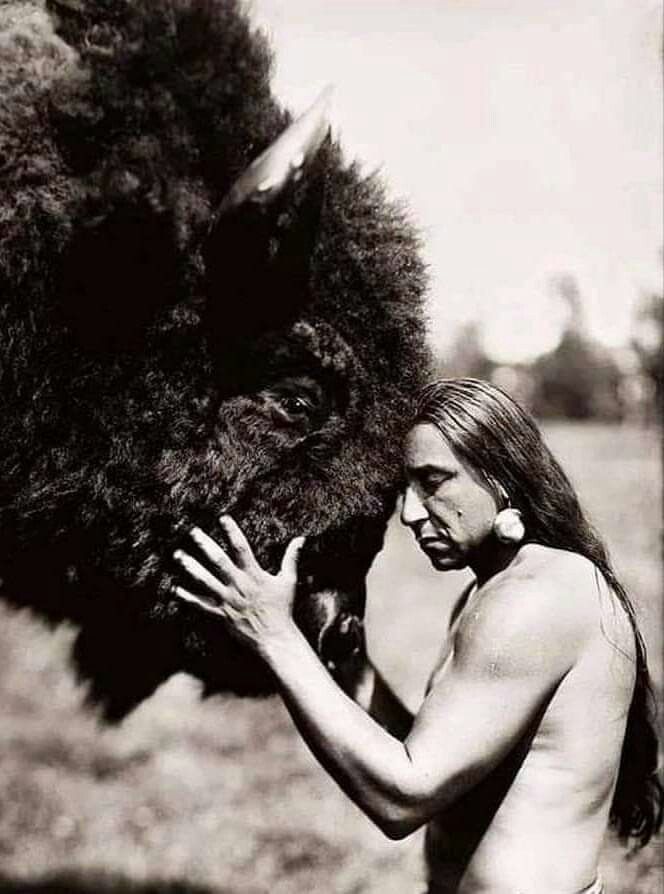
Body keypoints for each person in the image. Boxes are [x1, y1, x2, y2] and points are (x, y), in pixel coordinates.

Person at [172, 378, 662, 893]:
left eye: (433, 480)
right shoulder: (498, 587)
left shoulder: (538, 598)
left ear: (502, 475)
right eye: (402, 488)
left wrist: (274, 637)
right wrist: (349, 667)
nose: (408, 514)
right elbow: (441, 760)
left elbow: (403, 797)